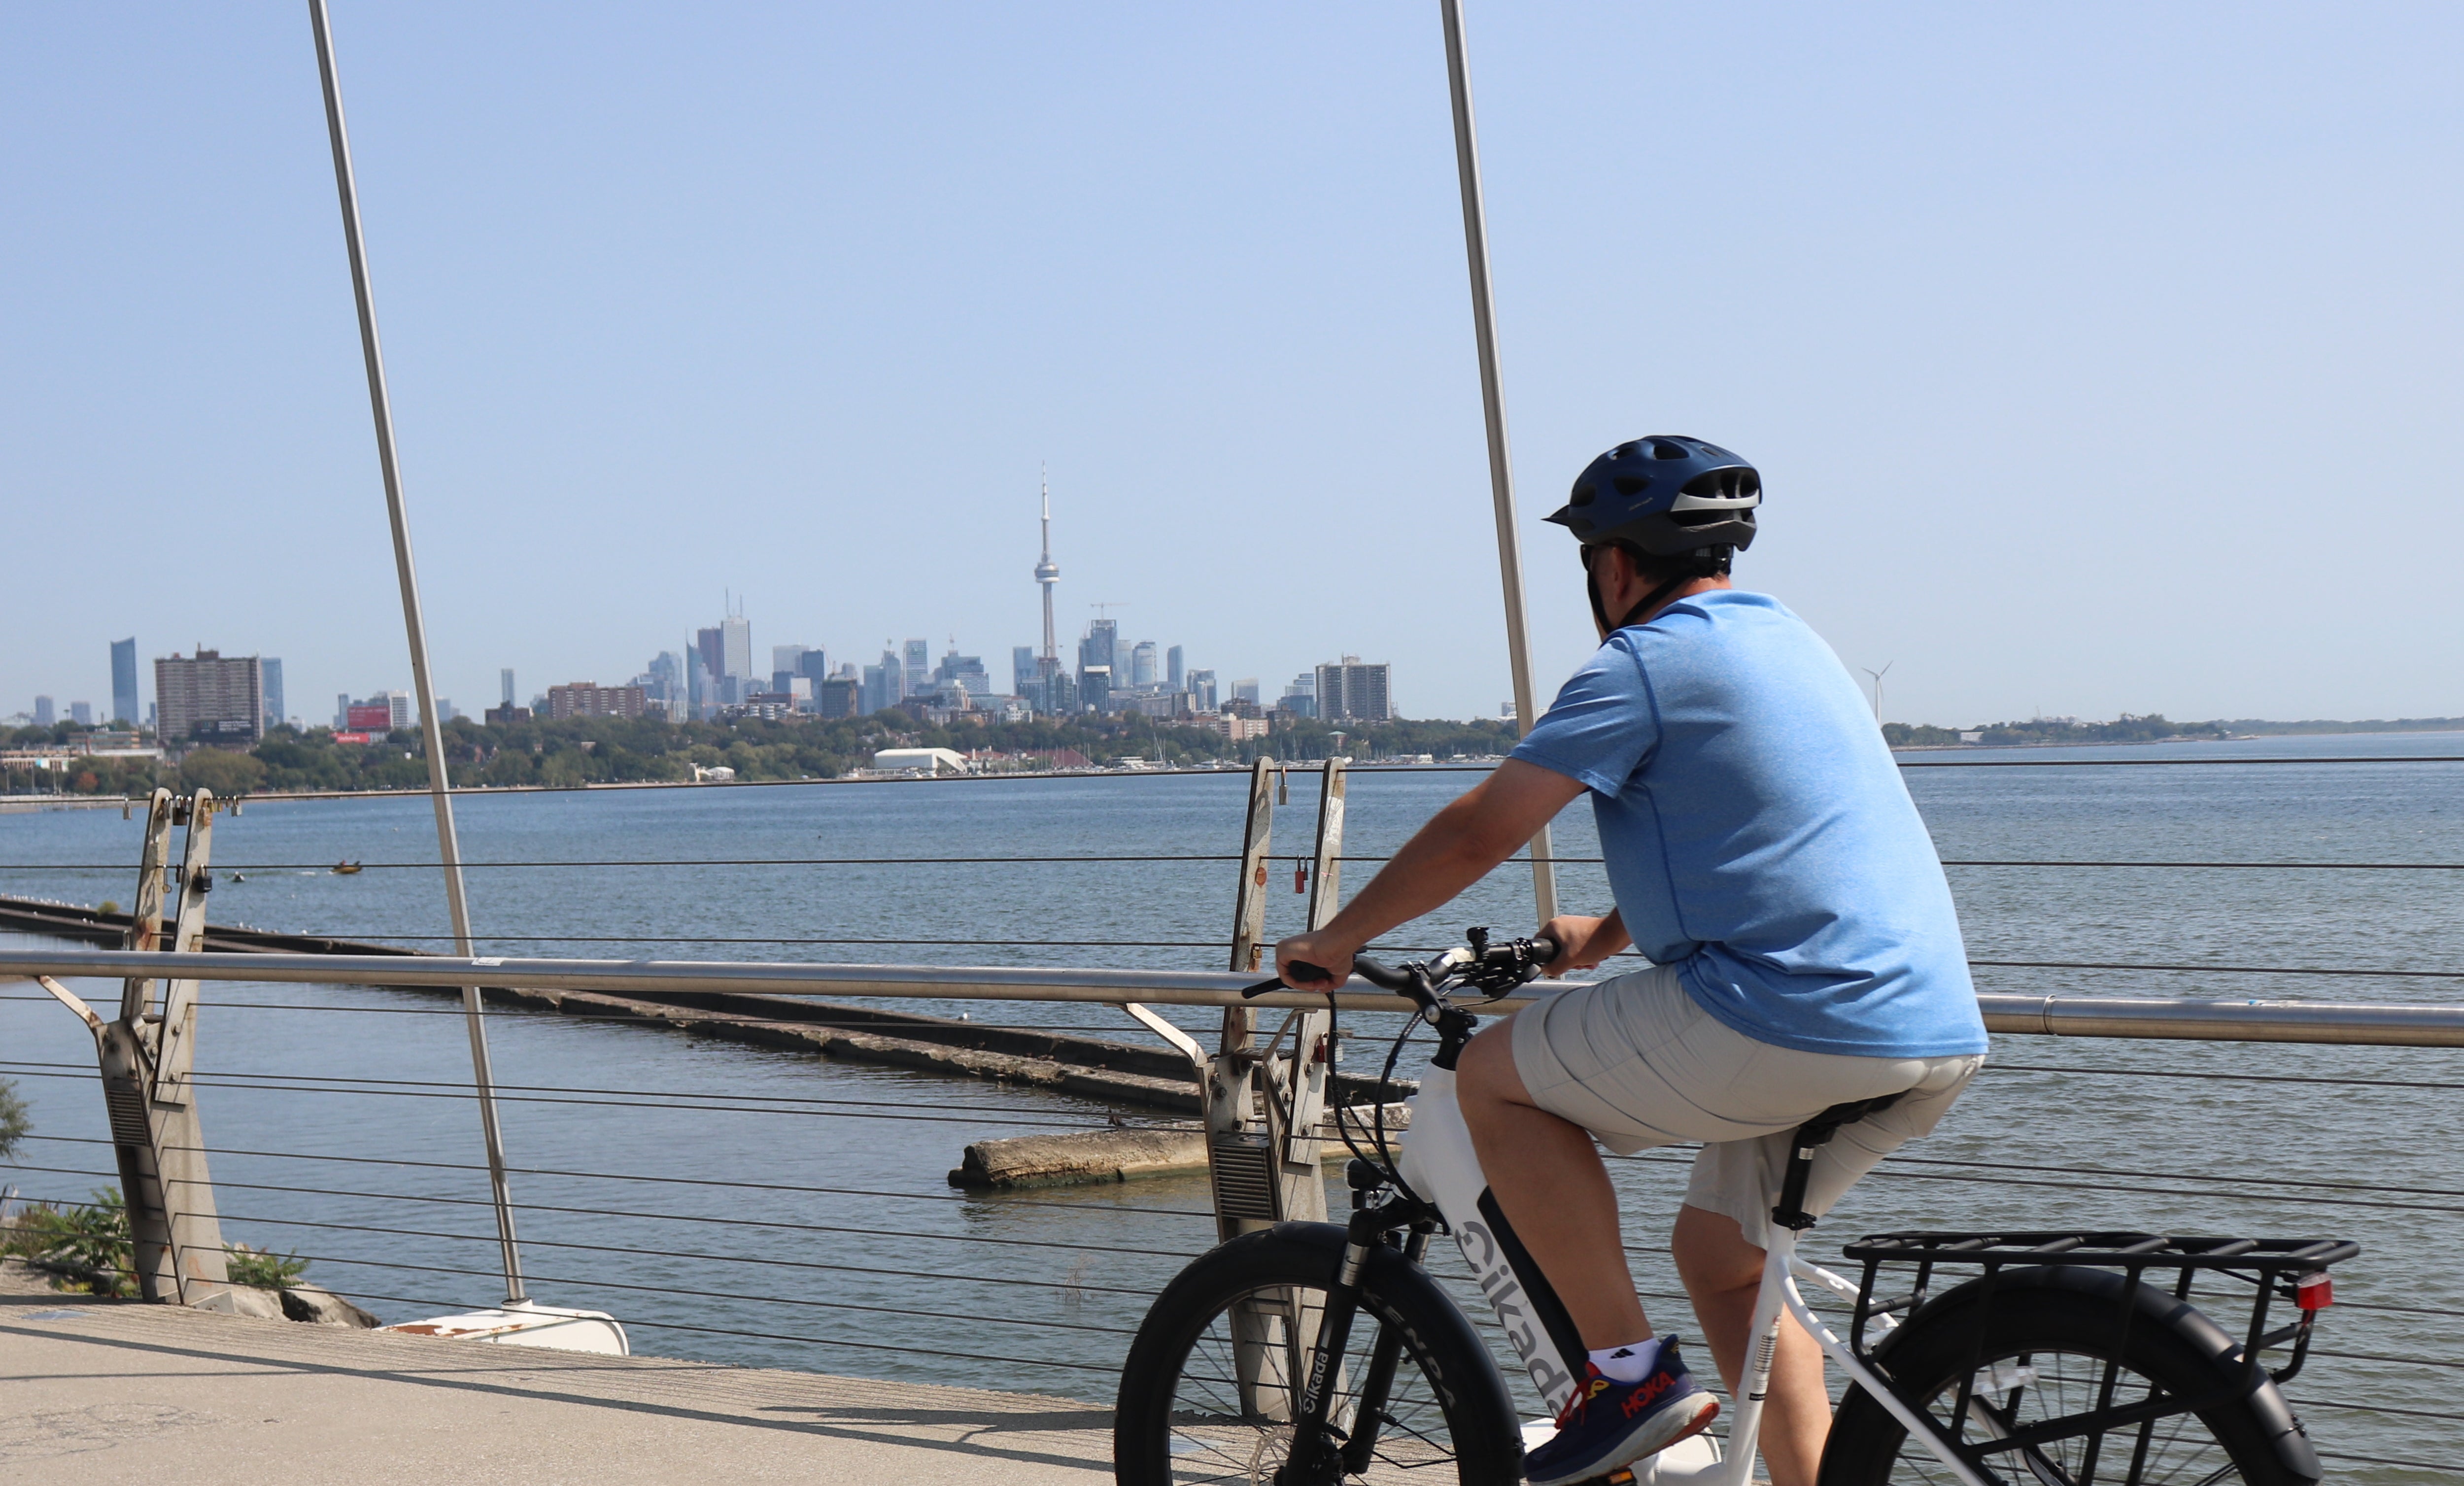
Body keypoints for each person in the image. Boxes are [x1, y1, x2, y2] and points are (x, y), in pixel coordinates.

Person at [1272, 437, 1988, 1486]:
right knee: (1721, 1257)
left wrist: (1336, 940)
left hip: (1783, 1014)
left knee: (1490, 1079)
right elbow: (1758, 840)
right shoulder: (1790, 643)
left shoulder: (1644, 659)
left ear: (1613, 565)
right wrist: (1597, 938)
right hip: (1929, 1032)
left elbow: (1484, 828)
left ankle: (1626, 1376)